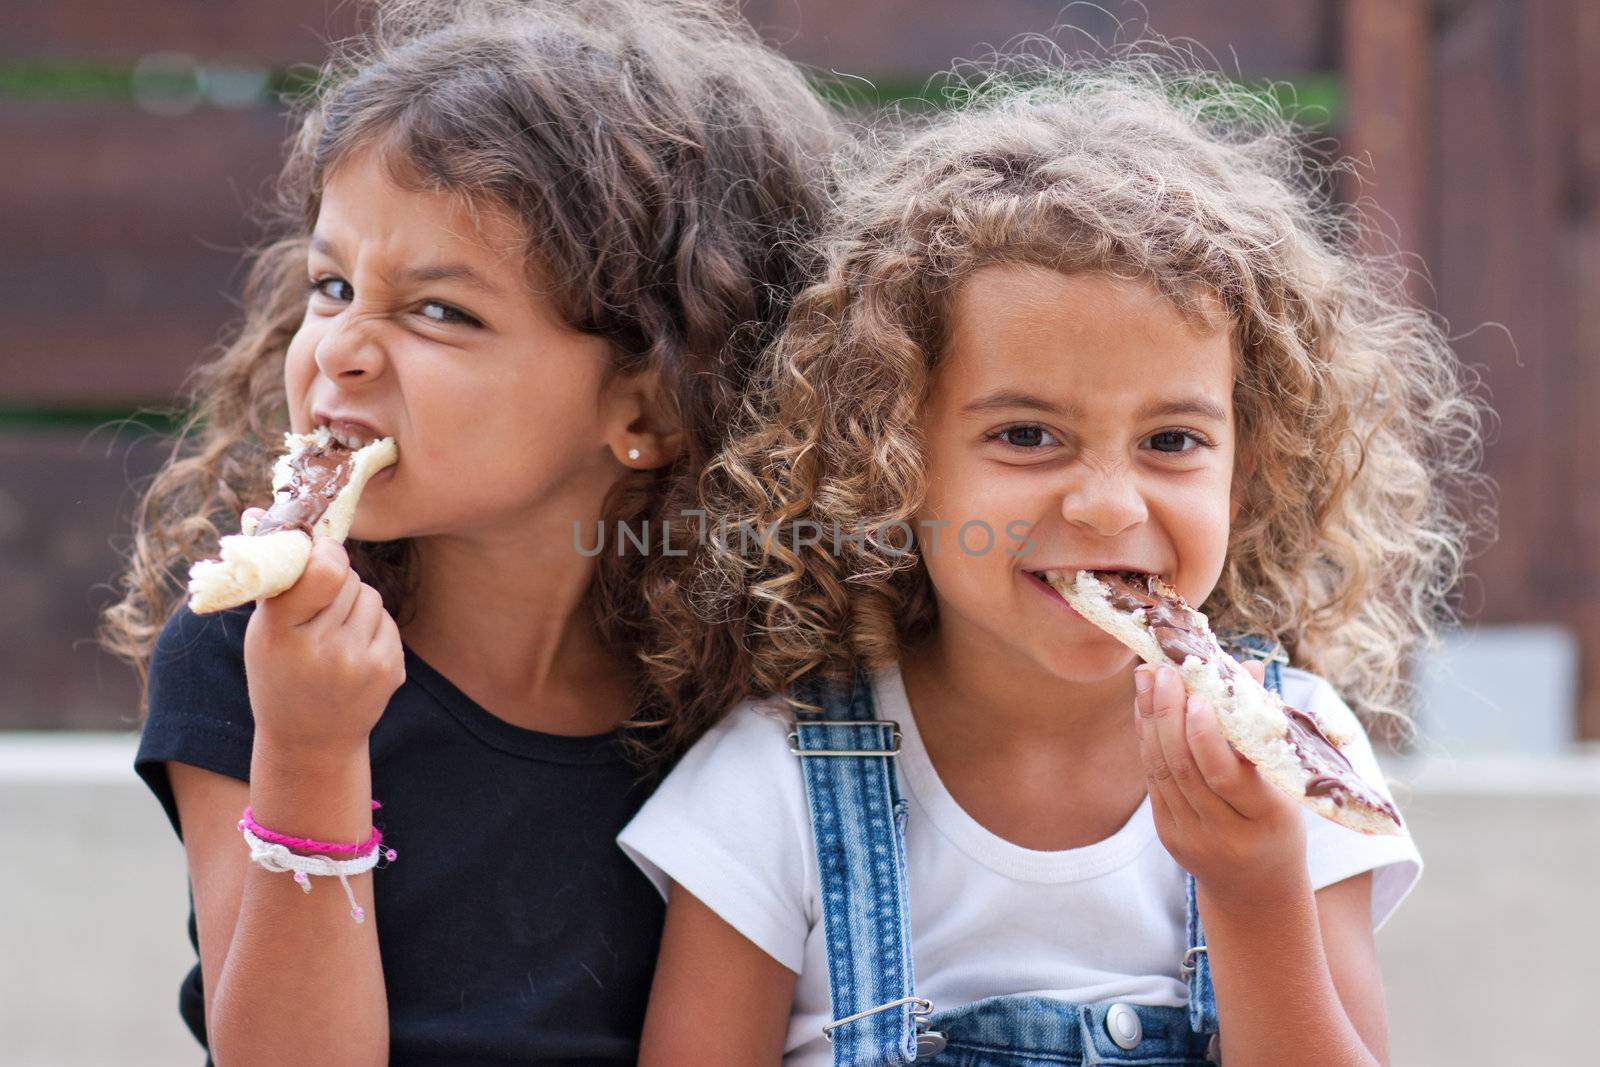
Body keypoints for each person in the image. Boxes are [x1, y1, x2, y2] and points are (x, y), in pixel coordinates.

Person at [623, 57, 1487, 1066]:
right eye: (1028, 435)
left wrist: (1254, 886)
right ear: (894, 461)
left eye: (1171, 440)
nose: (1108, 503)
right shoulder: (771, 782)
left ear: (1245, 475)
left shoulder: (1297, 752)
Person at [99, 1, 841, 1062]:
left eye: (440, 311)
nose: (340, 350)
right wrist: (312, 746)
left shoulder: (751, 684)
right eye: (333, 285)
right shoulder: (250, 655)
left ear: (649, 409)